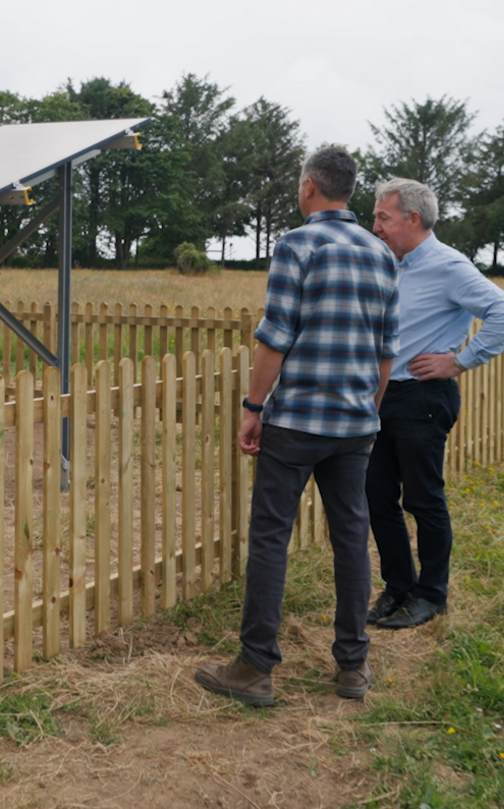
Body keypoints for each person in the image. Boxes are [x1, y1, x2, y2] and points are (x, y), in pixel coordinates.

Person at [193, 145, 402, 707]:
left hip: (295, 423)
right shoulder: (381, 254)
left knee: (270, 539)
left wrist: (253, 408)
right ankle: (353, 667)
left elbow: (275, 335)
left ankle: (255, 667)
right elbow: (387, 350)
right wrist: (369, 408)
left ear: (310, 186)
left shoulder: (297, 244)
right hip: (356, 424)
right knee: (352, 540)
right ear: (349, 190)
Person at [364, 177, 504, 630]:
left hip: (423, 399)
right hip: (382, 397)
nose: (375, 225)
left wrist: (461, 361)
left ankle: (432, 595)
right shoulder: (391, 263)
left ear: (412, 219)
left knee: (423, 498)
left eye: (382, 217)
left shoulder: (449, 266)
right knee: (377, 496)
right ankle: (398, 588)